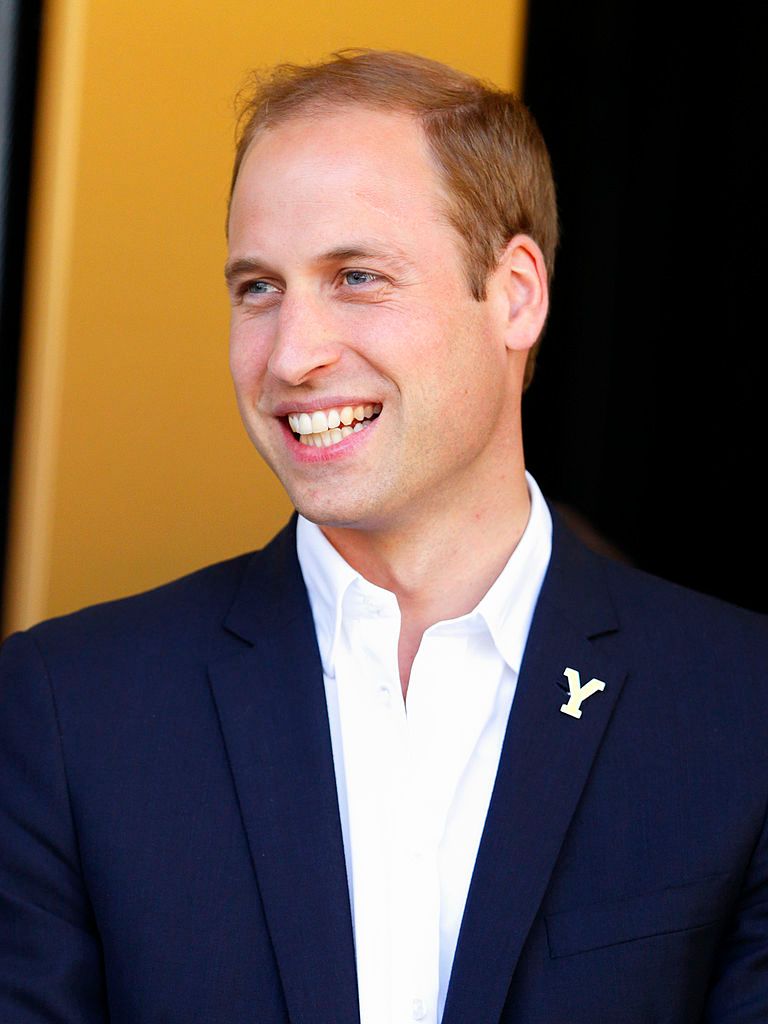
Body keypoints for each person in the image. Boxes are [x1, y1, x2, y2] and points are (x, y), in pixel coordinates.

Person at [1, 49, 766, 1024]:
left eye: (356, 275)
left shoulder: (740, 706)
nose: (291, 353)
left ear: (516, 293)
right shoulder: (70, 711)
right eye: (257, 288)